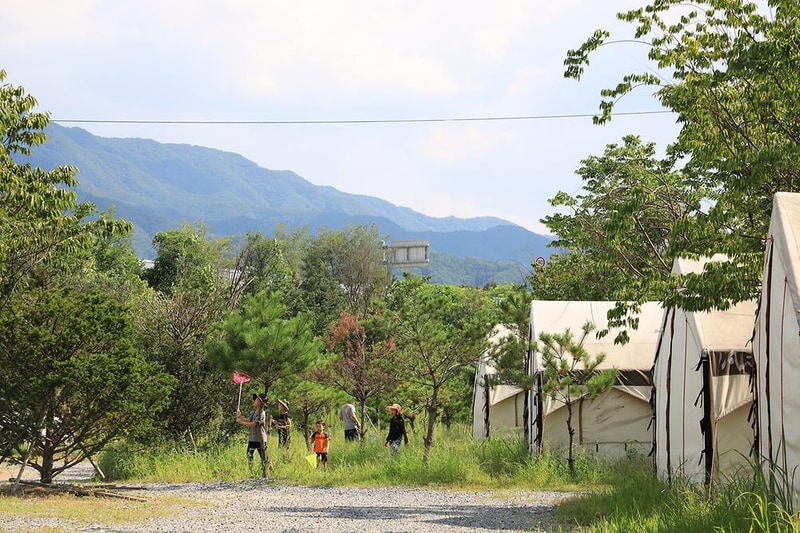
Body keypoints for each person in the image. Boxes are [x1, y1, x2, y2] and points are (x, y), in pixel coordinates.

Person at [236, 393, 269, 477]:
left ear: (261, 402)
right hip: (253, 438)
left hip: (260, 439)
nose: (254, 401)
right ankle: (252, 473)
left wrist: (241, 422)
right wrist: (240, 416)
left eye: (257, 399)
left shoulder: (262, 413)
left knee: (264, 457)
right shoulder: (254, 412)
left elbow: (254, 423)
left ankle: (268, 471)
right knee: (249, 454)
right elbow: (248, 420)